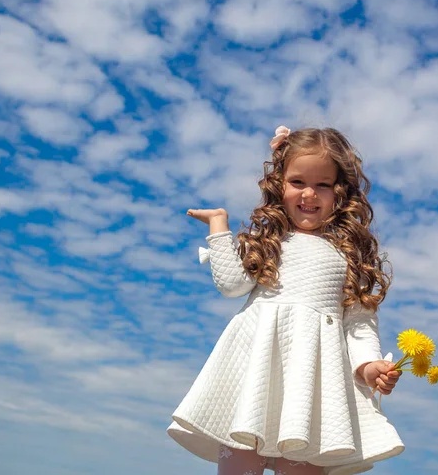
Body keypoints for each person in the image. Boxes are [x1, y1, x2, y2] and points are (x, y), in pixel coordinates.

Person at [167, 126, 404, 475]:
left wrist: (368, 367)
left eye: (323, 184)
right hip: (254, 372)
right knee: (240, 461)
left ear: (341, 192)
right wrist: (219, 226)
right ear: (279, 184)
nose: (309, 193)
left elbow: (358, 322)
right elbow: (231, 284)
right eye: (298, 182)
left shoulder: (348, 255)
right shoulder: (270, 241)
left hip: (313, 383)